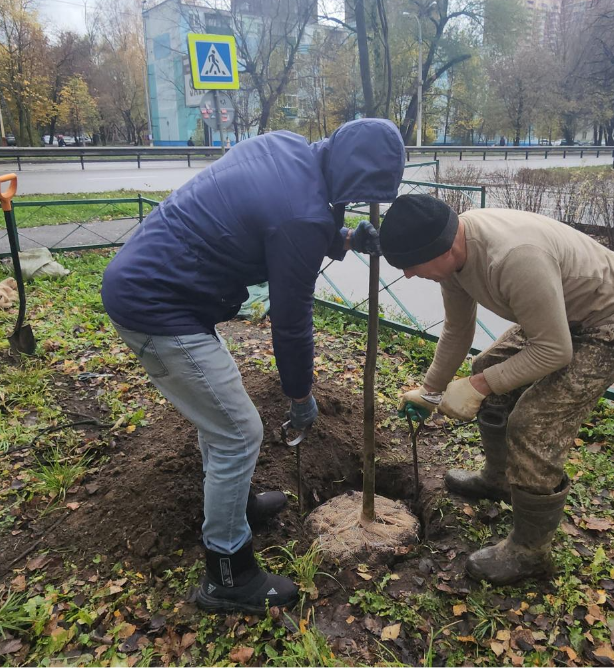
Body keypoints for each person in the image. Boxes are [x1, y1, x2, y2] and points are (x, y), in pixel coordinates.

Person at [102, 119, 405, 613]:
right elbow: (291, 320)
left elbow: (284, 217)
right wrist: (300, 394)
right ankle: (227, 574)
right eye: (366, 192)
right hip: (156, 305)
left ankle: (235, 510)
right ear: (354, 179)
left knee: (221, 417)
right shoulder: (301, 218)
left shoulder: (288, 148)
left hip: (161, 285)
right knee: (239, 433)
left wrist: (345, 237)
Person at [381, 195, 614, 585]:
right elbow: (458, 330)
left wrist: (477, 387)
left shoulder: (513, 257)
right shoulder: (452, 261)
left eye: (410, 264)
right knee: (488, 367)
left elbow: (553, 350)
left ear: (439, 248)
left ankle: (530, 553)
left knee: (534, 423)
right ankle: (499, 479)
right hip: (563, 313)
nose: (408, 274)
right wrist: (430, 391)